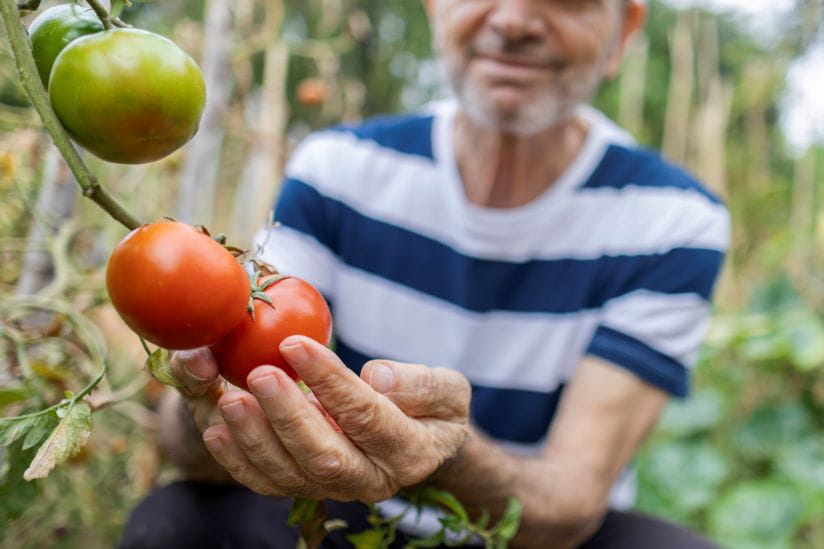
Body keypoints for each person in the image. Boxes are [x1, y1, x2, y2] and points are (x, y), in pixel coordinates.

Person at [120, 0, 729, 547]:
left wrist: (444, 456)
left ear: (623, 30)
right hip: (343, 513)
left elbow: (567, 506)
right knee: (178, 523)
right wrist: (202, 406)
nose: (514, 20)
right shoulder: (339, 171)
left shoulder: (671, 220)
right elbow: (233, 379)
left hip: (521, 533)